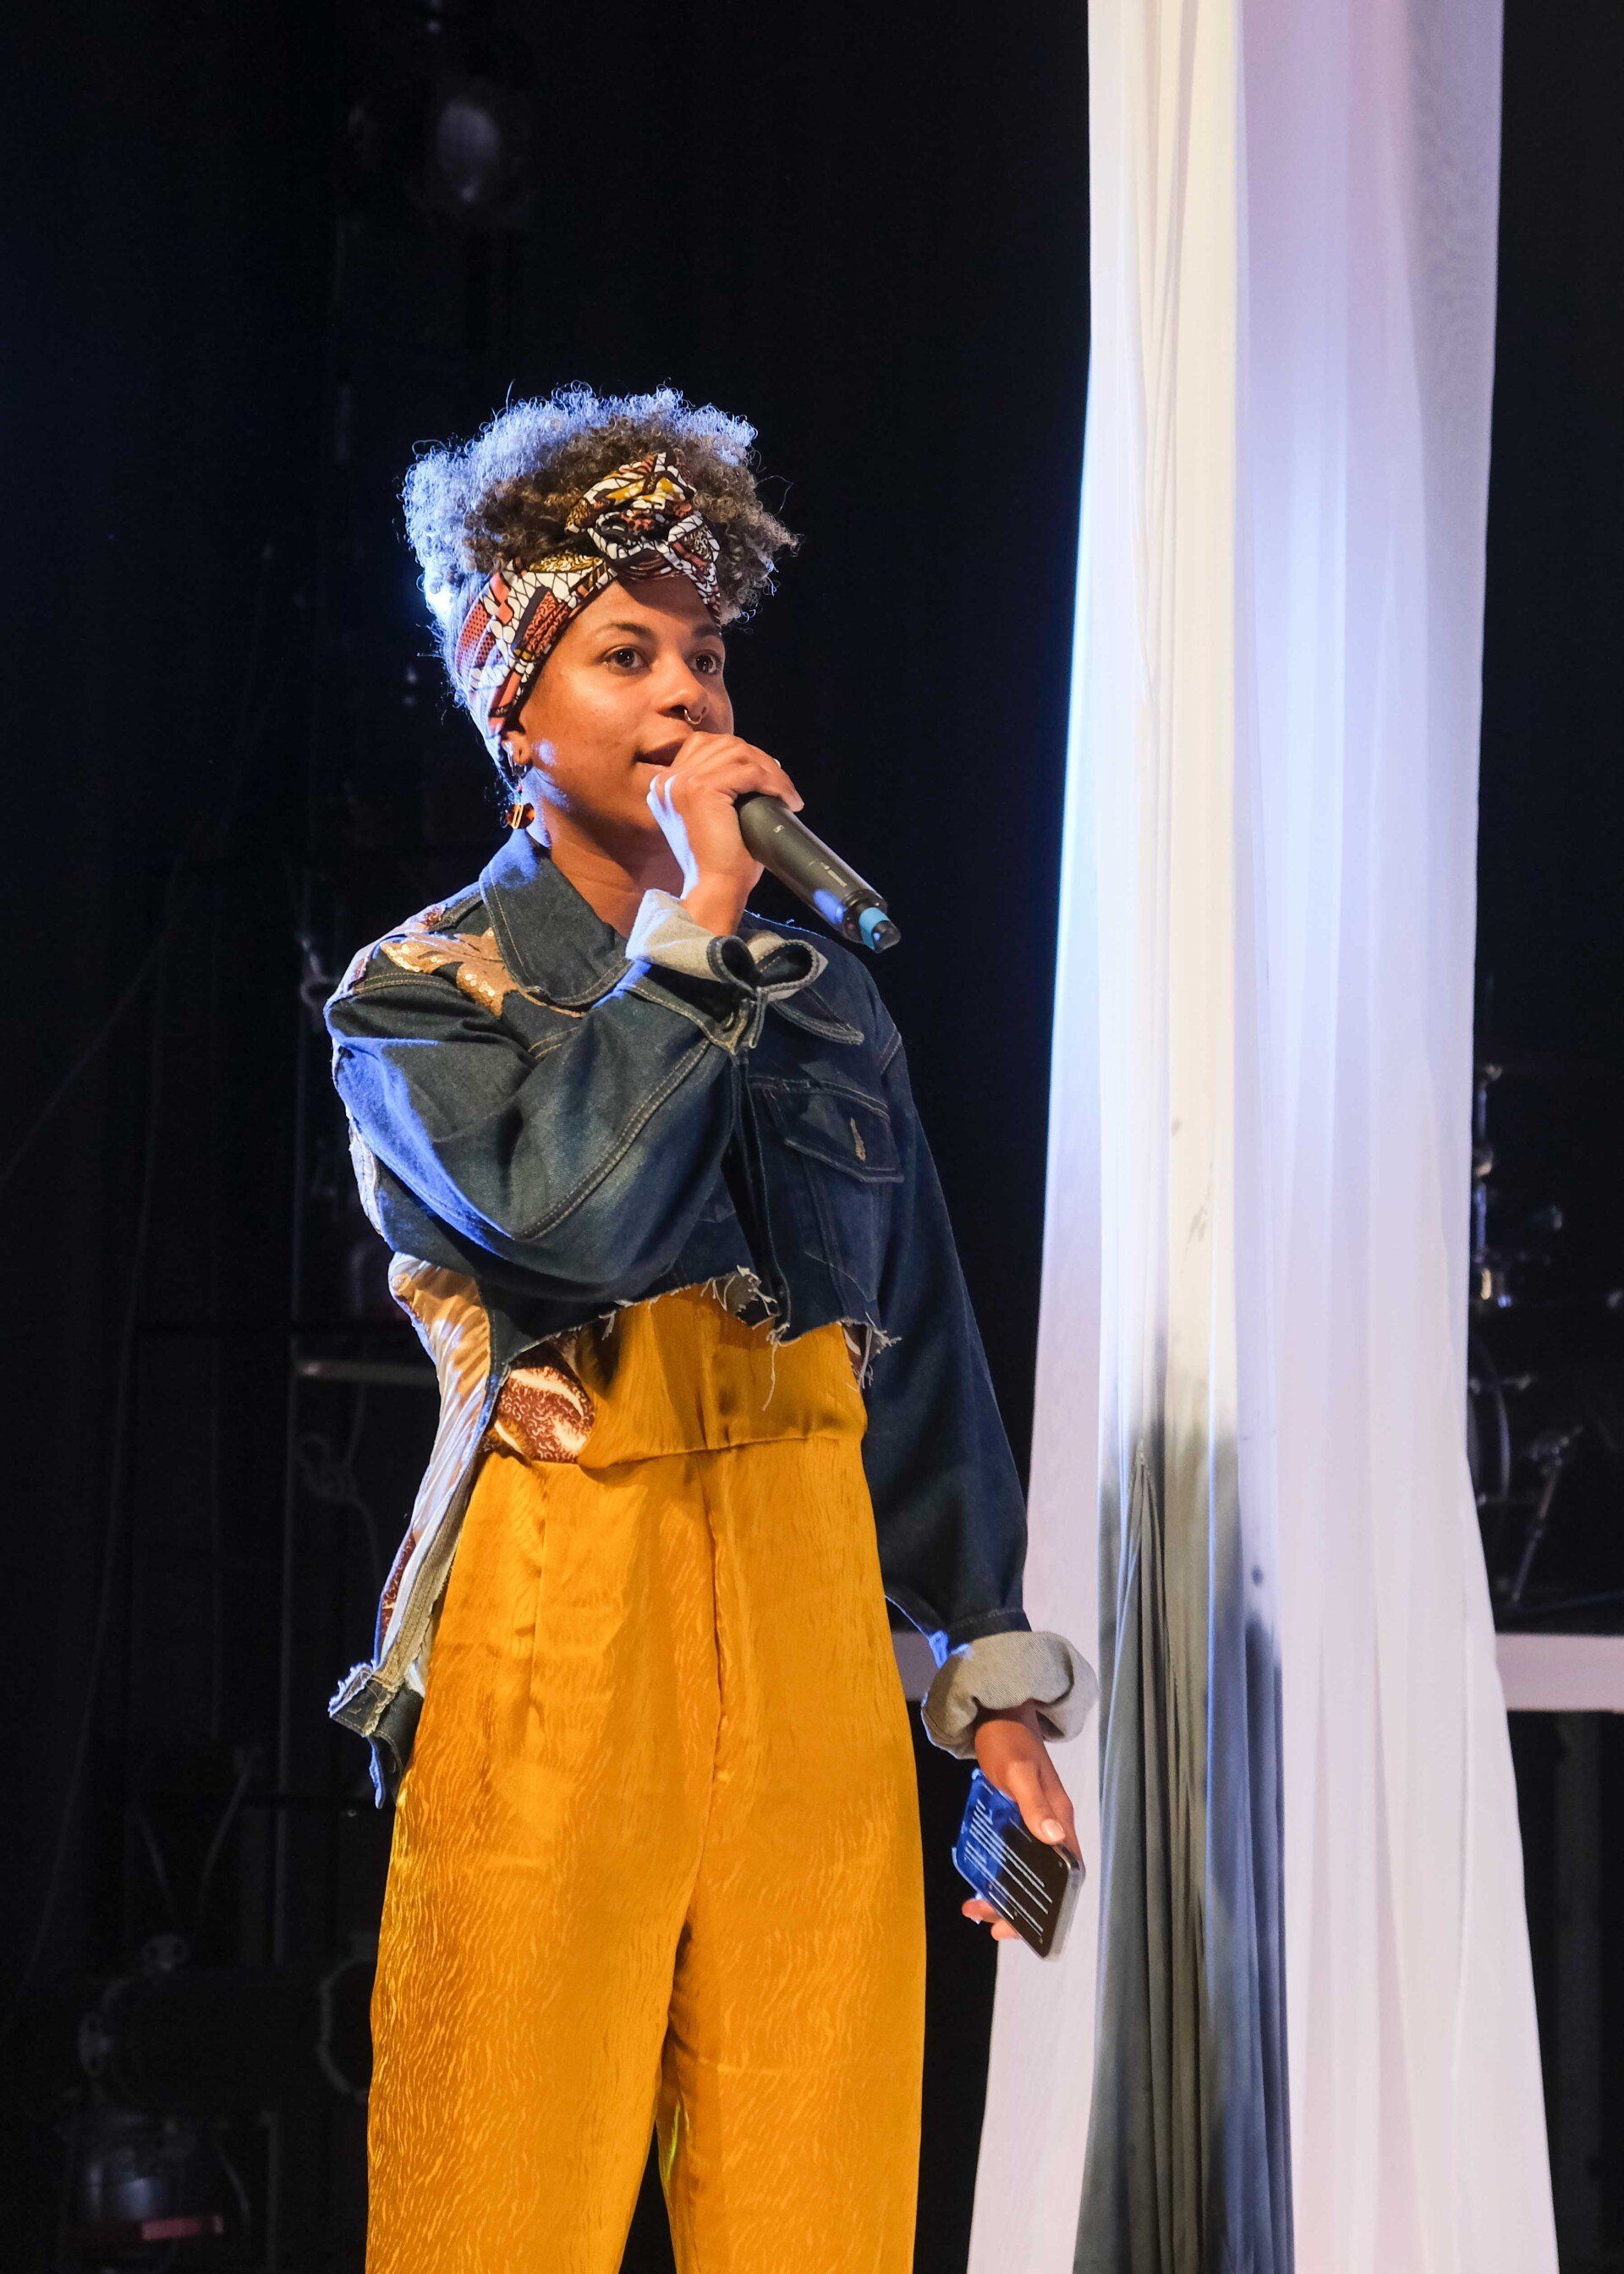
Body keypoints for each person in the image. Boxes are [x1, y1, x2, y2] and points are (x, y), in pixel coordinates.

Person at [324, 383, 1096, 2274]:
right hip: (558, 1618)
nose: (686, 695)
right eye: (626, 654)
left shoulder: (817, 994)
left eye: (708, 653)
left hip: (812, 1613)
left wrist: (987, 1679)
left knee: (822, 2197)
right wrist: (691, 939)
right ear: (513, 701)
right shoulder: (422, 994)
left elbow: (916, 1333)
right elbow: (571, 1223)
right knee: (499, 2197)